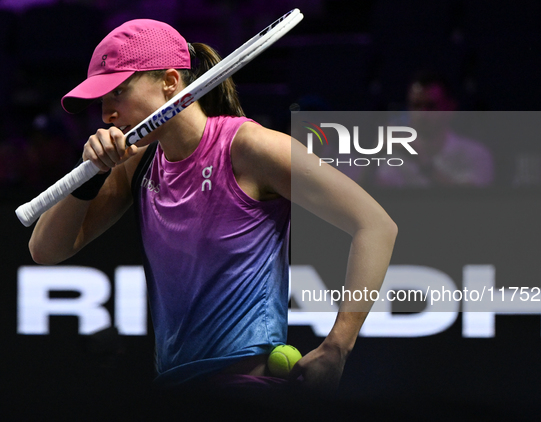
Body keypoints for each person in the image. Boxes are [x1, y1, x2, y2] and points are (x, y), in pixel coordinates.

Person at [27, 19, 397, 398]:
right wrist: (90, 173)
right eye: (101, 100)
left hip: (250, 391)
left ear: (171, 82)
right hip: (176, 392)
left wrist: (338, 346)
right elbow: (45, 249)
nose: (106, 113)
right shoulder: (136, 163)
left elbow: (375, 225)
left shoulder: (250, 147)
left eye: (118, 92)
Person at [375, 70, 494, 187]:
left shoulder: (475, 154)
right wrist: (374, 156)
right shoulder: (394, 157)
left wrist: (425, 165)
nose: (422, 114)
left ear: (449, 109)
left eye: (431, 106)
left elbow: (469, 202)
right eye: (416, 105)